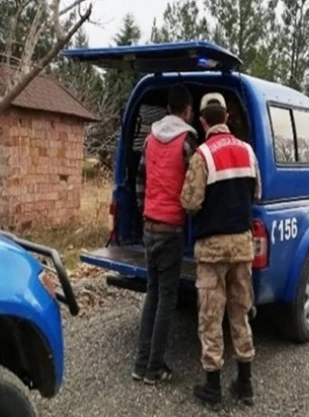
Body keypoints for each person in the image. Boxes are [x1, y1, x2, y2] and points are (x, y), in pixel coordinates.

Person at [180, 92, 261, 407]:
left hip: (212, 250)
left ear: (202, 122)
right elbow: (257, 192)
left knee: (211, 317)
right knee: (240, 312)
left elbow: (190, 202)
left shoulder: (202, 155)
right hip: (242, 245)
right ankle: (245, 384)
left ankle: (213, 388)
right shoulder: (248, 151)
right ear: (227, 118)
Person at [131, 84, 198, 385]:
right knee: (167, 299)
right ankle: (155, 367)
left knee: (153, 293)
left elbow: (140, 181)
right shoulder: (187, 141)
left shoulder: (150, 139)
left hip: (150, 226)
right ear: (187, 111)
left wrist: (144, 211)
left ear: (168, 108)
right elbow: (196, 184)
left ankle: (140, 364)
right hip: (171, 229)